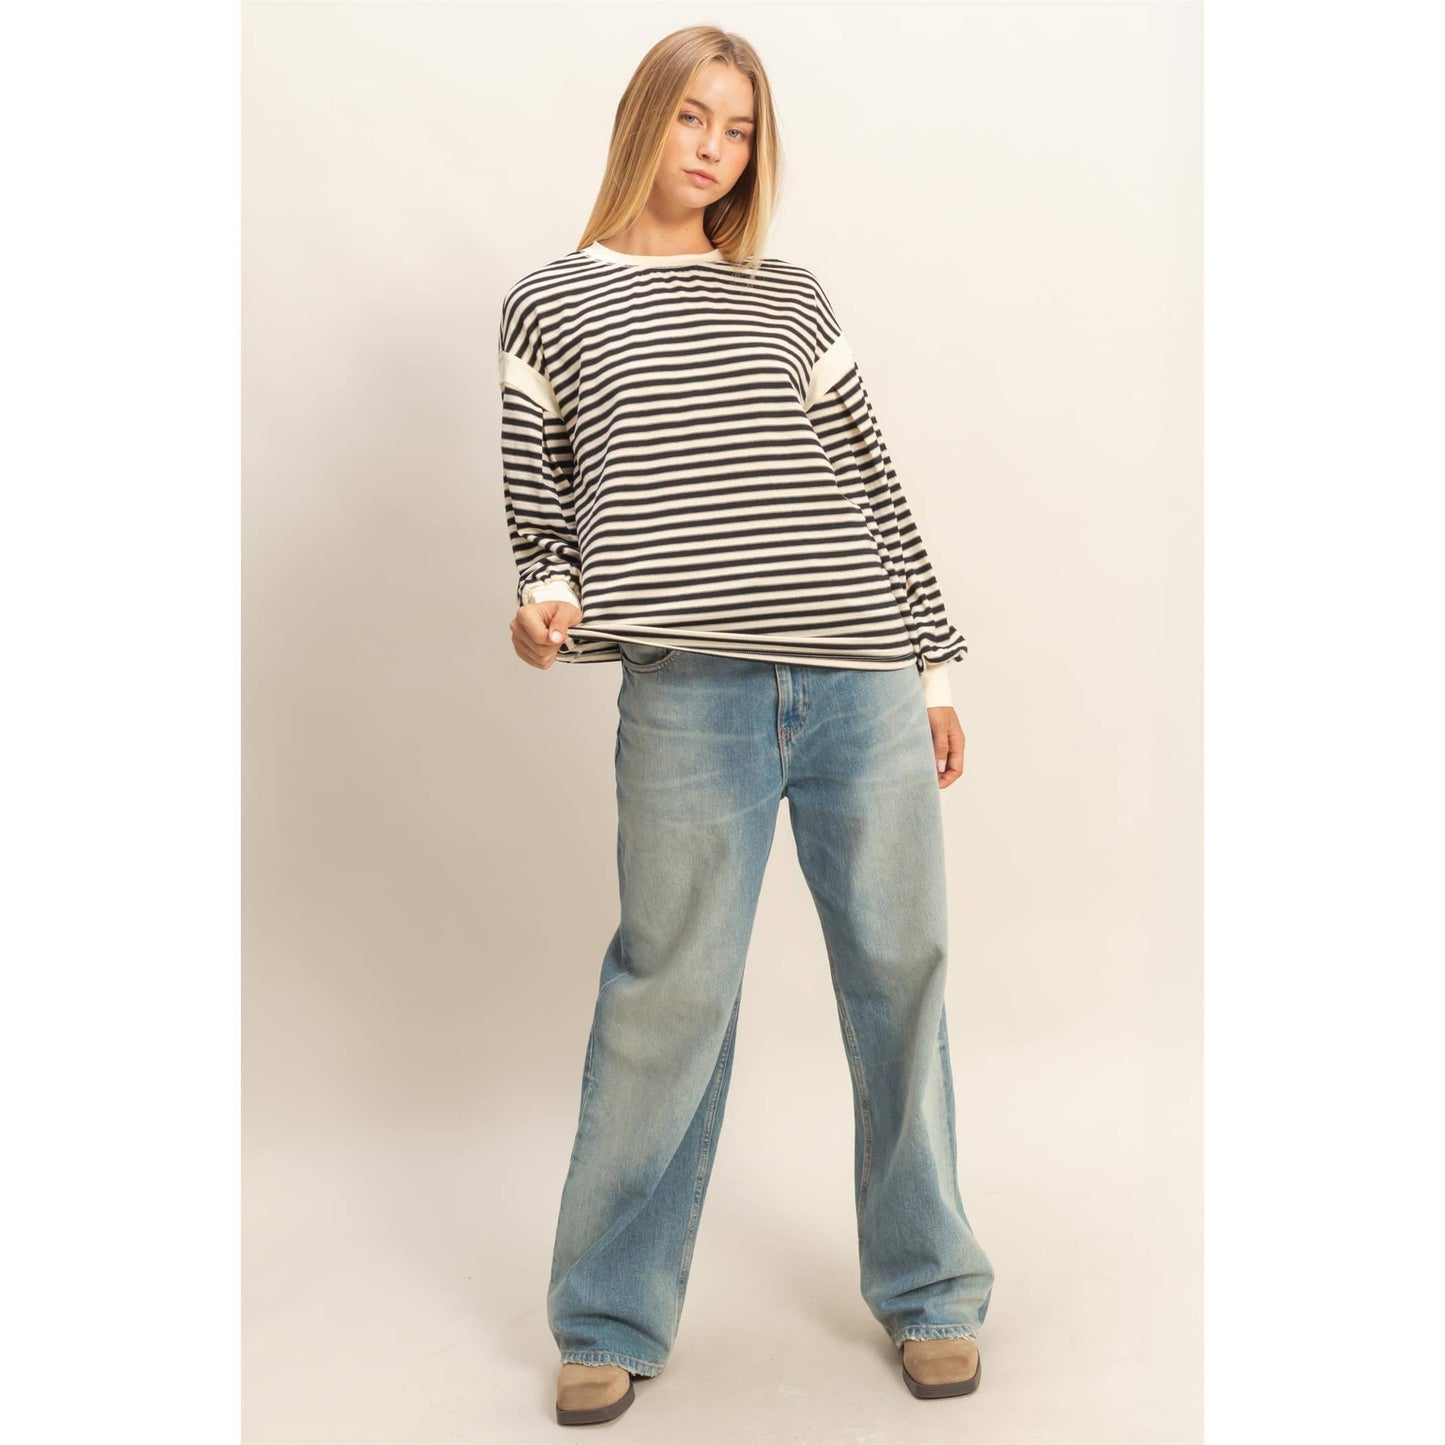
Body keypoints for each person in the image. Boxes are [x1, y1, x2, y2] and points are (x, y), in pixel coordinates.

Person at [497, 25, 995, 1427]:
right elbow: (540, 511)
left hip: (858, 676)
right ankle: (606, 1314)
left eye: (739, 128)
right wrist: (543, 602)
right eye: (691, 118)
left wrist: (934, 672)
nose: (713, 148)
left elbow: (871, 481)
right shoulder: (548, 302)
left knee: (900, 974)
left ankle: (933, 1289)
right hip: (688, 695)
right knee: (666, 991)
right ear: (642, 120)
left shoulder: (788, 296)